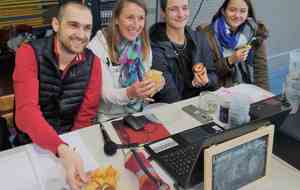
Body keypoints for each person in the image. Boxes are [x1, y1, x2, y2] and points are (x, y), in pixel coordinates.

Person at [13, 2, 101, 190]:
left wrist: (72, 148)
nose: (81, 35)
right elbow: (25, 113)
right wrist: (60, 147)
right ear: (55, 24)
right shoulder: (28, 53)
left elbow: (86, 113)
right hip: (32, 143)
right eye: (73, 25)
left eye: (87, 28)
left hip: (71, 141)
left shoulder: (94, 62)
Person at [89, 0, 163, 121]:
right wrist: (130, 93)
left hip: (140, 112)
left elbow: (147, 76)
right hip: (110, 118)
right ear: (116, 19)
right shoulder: (97, 46)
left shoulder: (143, 43)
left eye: (141, 18)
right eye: (130, 17)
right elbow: (105, 94)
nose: (136, 24)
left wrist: (157, 85)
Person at [149, 0, 218, 103]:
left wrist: (206, 80)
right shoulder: (154, 46)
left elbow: (214, 78)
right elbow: (169, 95)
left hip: (200, 103)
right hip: (171, 109)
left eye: (184, 8)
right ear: (163, 13)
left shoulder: (200, 39)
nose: (181, 14)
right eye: (173, 9)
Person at [197, 0, 269, 90]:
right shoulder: (206, 34)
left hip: (247, 88)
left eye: (242, 11)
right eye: (232, 10)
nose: (237, 15)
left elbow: (261, 72)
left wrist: (264, 97)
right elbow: (206, 73)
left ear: (248, 14)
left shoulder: (256, 33)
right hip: (219, 91)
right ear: (223, 11)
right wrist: (230, 60)